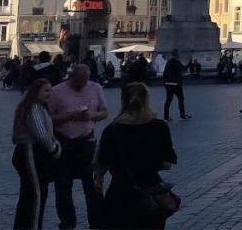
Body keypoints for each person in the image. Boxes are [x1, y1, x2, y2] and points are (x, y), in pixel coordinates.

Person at [94, 83, 178, 229]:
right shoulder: (159, 127)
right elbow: (167, 163)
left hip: (120, 192)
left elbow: (102, 165)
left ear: (123, 101)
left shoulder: (112, 129)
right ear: (147, 100)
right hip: (150, 191)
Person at [48, 64, 108, 229]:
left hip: (87, 142)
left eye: (85, 81)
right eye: (79, 81)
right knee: (63, 185)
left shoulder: (95, 88)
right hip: (64, 142)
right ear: (71, 77)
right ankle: (68, 222)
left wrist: (92, 115)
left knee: (92, 184)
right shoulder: (56, 91)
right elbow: (49, 118)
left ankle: (96, 222)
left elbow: (104, 112)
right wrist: (69, 116)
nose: (82, 85)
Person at [12, 78, 61, 229]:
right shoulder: (33, 107)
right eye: (46, 90)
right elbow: (41, 133)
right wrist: (54, 148)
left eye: (50, 90)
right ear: (36, 91)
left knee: (30, 193)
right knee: (36, 194)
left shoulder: (36, 107)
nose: (49, 93)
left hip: (31, 152)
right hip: (30, 151)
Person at [161, 50, 191, 121]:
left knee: (168, 100)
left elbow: (165, 73)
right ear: (177, 55)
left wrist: (165, 83)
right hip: (176, 84)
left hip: (168, 84)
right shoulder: (176, 62)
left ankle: (166, 117)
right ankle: (182, 115)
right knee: (181, 99)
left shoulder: (169, 62)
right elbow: (184, 68)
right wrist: (190, 62)